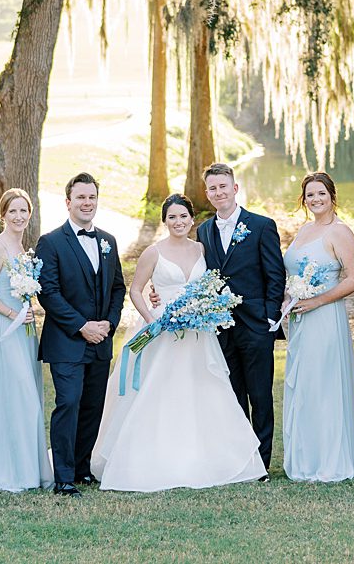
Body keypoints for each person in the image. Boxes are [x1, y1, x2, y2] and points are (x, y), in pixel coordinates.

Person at [92, 194, 266, 491]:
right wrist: (152, 319)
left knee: (205, 390)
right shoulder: (153, 252)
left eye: (183, 216)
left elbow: (211, 283)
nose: (178, 222)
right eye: (172, 217)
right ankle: (153, 458)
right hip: (163, 331)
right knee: (159, 391)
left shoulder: (202, 248)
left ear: (192, 219)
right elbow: (135, 290)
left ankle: (215, 458)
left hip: (199, 333)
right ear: (165, 221)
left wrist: (208, 307)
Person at [35, 172, 126, 498]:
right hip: (67, 342)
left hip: (100, 340)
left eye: (92, 197)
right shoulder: (51, 242)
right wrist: (81, 326)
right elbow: (49, 292)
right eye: (81, 198)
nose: (87, 203)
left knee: (92, 407)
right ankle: (63, 477)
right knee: (68, 403)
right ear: (68, 202)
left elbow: (118, 288)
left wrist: (108, 324)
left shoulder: (108, 241)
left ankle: (82, 467)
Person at [196, 162, 286, 470]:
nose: (218, 192)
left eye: (223, 186)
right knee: (232, 395)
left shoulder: (261, 225)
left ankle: (261, 462)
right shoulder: (203, 230)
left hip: (256, 324)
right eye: (213, 188)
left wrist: (269, 319)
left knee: (260, 395)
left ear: (235, 188)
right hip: (220, 327)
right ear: (207, 193)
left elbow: (275, 276)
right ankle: (239, 458)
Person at [280, 172, 354, 482]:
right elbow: (294, 274)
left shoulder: (340, 232)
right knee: (305, 385)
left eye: (321, 193)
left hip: (326, 319)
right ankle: (306, 456)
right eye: (309, 195)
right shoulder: (304, 230)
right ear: (303, 200)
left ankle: (330, 458)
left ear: (332, 196)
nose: (315, 199)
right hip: (301, 320)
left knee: (324, 384)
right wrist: (289, 298)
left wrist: (317, 302)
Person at [0, 187, 53, 492]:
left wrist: (28, 311)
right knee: (15, 395)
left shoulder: (23, 249)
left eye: (24, 211)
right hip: (6, 329)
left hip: (25, 330)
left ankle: (29, 469)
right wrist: (12, 314)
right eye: (13, 211)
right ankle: (11, 472)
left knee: (29, 398)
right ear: (3, 214)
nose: (19, 216)